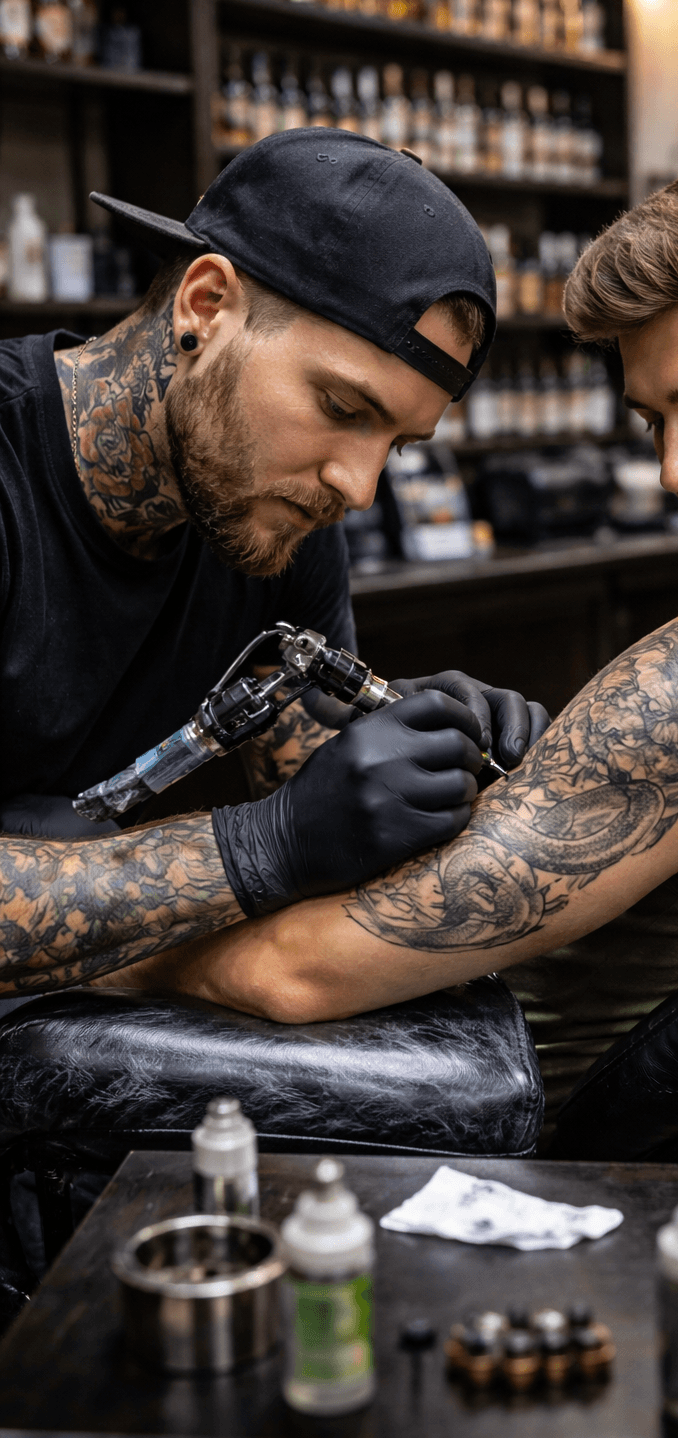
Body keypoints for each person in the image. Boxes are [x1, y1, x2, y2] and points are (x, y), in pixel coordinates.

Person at [53, 148, 678, 1127]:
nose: (676, 470)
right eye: (654, 422)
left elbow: (291, 972)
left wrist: (63, 940)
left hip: (456, 1138)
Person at [0, 130, 548, 996]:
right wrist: (266, 845)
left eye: (397, 445)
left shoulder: (278, 521)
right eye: (342, 407)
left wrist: (424, 765)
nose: (358, 487)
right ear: (205, 305)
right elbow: (290, 836)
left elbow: (316, 780)